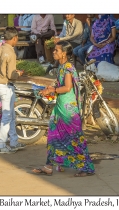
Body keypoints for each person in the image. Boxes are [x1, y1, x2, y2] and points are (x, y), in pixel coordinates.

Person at [32, 41, 95, 177]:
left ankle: (86, 168)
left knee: (74, 139)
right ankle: (49, 166)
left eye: (56, 50)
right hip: (60, 107)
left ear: (64, 53)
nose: (54, 52)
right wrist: (50, 88)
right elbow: (60, 84)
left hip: (68, 111)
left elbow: (67, 88)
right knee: (54, 136)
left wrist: (53, 90)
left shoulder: (67, 67)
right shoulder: (61, 66)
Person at [0, 27, 26, 154]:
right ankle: (1, 144)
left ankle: (14, 141)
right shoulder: (10, 52)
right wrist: (19, 73)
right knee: (7, 116)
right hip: (6, 85)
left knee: (11, 115)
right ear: (14, 38)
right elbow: (11, 74)